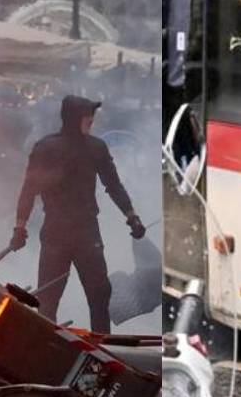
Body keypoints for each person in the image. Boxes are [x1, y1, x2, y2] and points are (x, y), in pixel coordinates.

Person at [11, 95, 146, 333]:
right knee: (49, 298)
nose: (92, 120)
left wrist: (131, 216)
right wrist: (19, 227)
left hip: (84, 233)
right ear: (74, 118)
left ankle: (103, 345)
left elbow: (113, 185)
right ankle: (46, 346)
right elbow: (29, 190)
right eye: (88, 116)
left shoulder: (94, 148)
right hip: (58, 233)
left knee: (99, 294)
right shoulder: (49, 148)